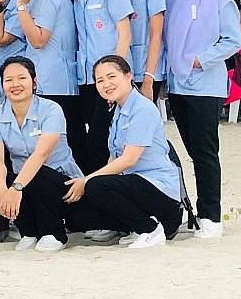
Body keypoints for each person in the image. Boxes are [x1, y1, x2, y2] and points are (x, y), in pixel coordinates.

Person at [64, 55, 185, 248]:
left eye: (111, 77)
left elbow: (128, 160)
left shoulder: (142, 108)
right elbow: (113, 159)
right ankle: (135, 227)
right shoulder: (118, 110)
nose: (106, 84)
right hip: (135, 185)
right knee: (81, 214)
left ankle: (150, 230)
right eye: (100, 80)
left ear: (128, 76)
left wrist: (86, 181)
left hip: (159, 190)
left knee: (96, 186)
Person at [164, 0, 238, 239]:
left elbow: (233, 40)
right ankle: (195, 213)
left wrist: (199, 60)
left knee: (205, 152)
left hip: (205, 86)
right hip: (177, 85)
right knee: (192, 150)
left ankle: (211, 215)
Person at [0, 56, 84, 253]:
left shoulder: (51, 109)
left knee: (38, 175)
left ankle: (54, 234)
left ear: (34, 82)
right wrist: (1, 191)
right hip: (24, 182)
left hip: (61, 182)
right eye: (9, 80)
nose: (15, 84)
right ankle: (28, 232)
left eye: (22, 78)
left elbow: (41, 155)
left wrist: (16, 187)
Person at [67, 0, 133, 171]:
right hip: (85, 78)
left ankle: (103, 184)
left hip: (108, 80)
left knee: (99, 139)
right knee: (84, 139)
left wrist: (116, 76)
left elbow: (125, 34)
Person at [12, 0, 81, 160]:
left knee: (54, 148)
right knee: (72, 143)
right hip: (63, 81)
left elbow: (38, 39)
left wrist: (21, 6)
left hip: (49, 82)